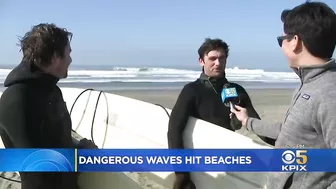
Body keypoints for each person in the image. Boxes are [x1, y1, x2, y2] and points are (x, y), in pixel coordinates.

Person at [231, 1, 336, 189]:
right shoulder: (308, 85)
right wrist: (248, 122)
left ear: (294, 41)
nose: (281, 46)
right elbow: (292, 134)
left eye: (281, 39)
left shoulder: (329, 93)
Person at [167, 38, 276, 189]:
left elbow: (257, 126)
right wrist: (182, 174)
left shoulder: (236, 91)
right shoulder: (191, 91)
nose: (218, 63)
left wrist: (286, 142)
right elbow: (174, 131)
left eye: (222, 58)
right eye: (212, 58)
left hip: (227, 161)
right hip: (200, 162)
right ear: (201, 61)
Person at [0, 23, 97, 189]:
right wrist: (83, 156)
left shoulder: (49, 89)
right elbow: (41, 171)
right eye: (68, 53)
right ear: (54, 57)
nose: (71, 60)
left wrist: (78, 146)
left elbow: (54, 140)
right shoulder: (19, 100)